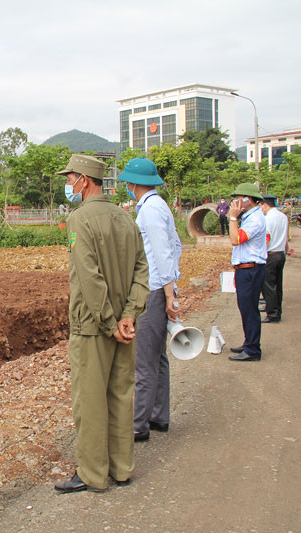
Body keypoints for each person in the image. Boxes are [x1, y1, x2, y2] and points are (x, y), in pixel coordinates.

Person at [54, 154, 150, 493]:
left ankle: (93, 473)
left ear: (84, 180)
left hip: (93, 327)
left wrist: (110, 322)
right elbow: (142, 269)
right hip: (124, 325)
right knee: (121, 394)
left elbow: (90, 279)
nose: (68, 185)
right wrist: (129, 316)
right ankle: (122, 467)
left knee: (90, 400)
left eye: (70, 179)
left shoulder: (80, 220)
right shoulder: (126, 219)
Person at [117, 158, 182, 443]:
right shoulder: (158, 205)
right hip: (159, 286)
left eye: (127, 183)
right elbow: (176, 246)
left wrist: (168, 293)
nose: (127, 188)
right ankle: (158, 416)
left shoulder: (151, 210)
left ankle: (138, 425)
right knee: (158, 357)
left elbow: (164, 252)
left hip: (152, 290)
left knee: (144, 361)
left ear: (133, 183)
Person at [227, 183, 268, 362]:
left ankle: (253, 350)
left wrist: (233, 219)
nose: (235, 202)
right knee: (245, 308)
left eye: (238, 198)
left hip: (250, 269)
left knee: (249, 310)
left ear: (248, 199)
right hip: (246, 269)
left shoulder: (255, 219)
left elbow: (236, 239)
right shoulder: (251, 216)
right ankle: (249, 342)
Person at [260, 194, 288, 323]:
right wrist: (287, 249)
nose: (261, 209)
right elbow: (285, 236)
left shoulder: (267, 219)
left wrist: (262, 255)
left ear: (265, 205)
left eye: (261, 206)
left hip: (270, 255)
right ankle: (278, 311)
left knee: (268, 286)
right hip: (281, 254)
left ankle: (272, 314)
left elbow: (267, 238)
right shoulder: (283, 217)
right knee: (278, 285)